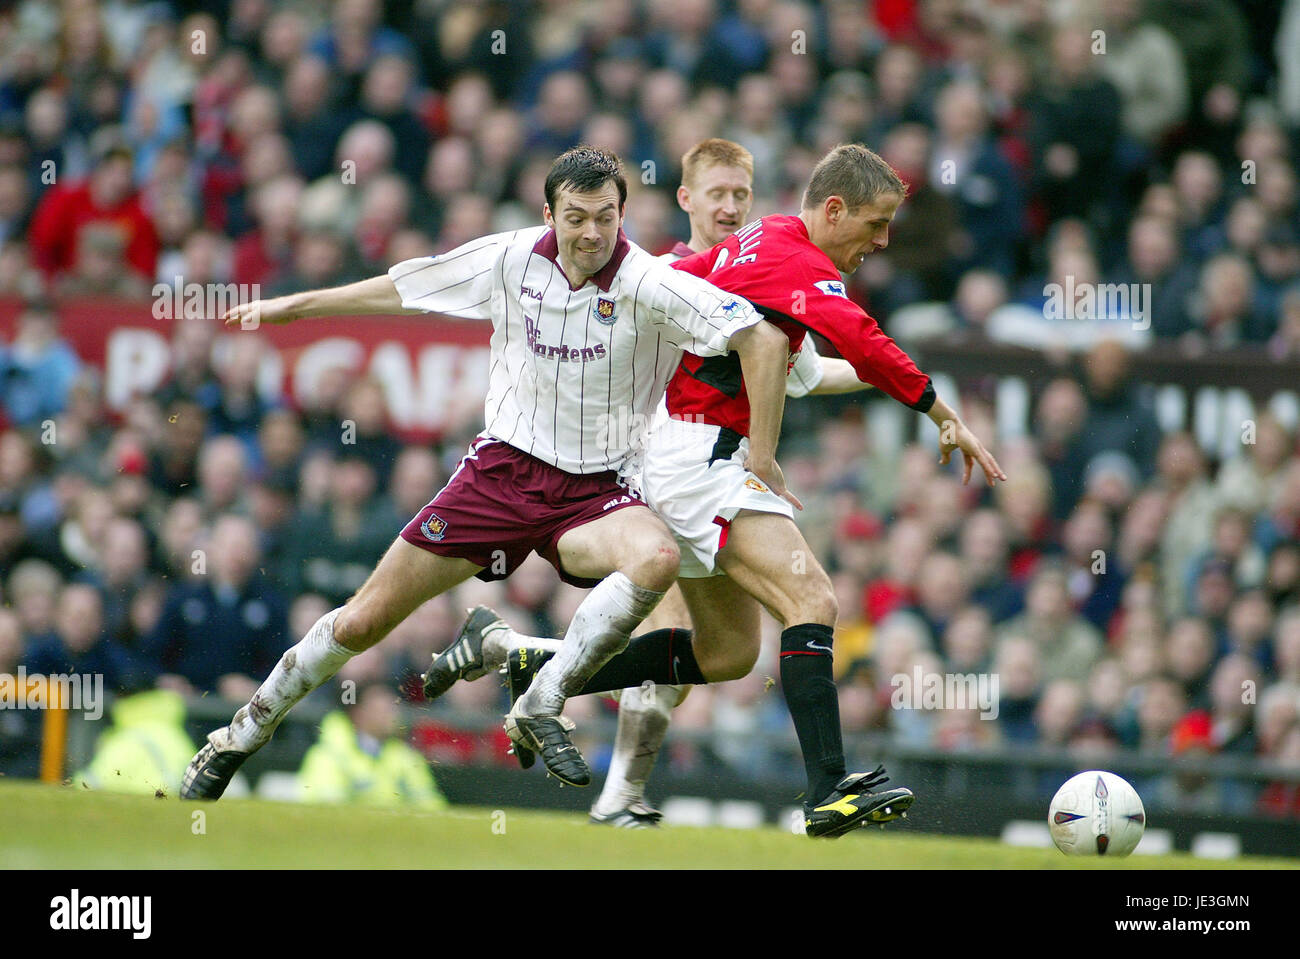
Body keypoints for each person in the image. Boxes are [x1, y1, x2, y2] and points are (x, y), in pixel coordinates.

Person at [180, 146, 794, 799]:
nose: (592, 233)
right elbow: (402, 288)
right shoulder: (508, 258)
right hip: (499, 476)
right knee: (362, 622)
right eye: (577, 217)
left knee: (657, 556)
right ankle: (240, 734)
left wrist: (761, 455)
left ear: (624, 213)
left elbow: (762, 339)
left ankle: (543, 698)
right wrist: (293, 306)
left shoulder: (650, 281)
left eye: (606, 217)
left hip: (597, 491)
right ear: (548, 212)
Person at [466, 143, 1006, 838]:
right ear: (834, 210)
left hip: (682, 456)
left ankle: (532, 663)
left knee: (724, 654)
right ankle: (827, 788)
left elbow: (697, 292)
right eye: (875, 224)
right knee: (812, 598)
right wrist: (940, 410)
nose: (883, 241)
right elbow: (862, 339)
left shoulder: (767, 238)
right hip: (703, 457)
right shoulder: (795, 259)